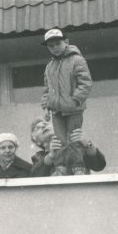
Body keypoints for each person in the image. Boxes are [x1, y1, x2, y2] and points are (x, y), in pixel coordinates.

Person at [40, 28, 92, 175]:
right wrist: (46, 106)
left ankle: (78, 167)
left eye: (58, 43)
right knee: (60, 138)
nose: (55, 48)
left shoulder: (77, 60)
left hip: (74, 108)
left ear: (66, 42)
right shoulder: (49, 67)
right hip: (56, 110)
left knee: (74, 137)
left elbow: (85, 83)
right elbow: (47, 88)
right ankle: (60, 167)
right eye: (51, 46)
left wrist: (75, 100)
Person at [31, 125, 107, 177]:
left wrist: (88, 145)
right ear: (37, 141)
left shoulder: (76, 148)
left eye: (46, 124)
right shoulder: (38, 157)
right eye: (38, 128)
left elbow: (99, 166)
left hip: (80, 193)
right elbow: (35, 175)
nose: (44, 126)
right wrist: (50, 156)